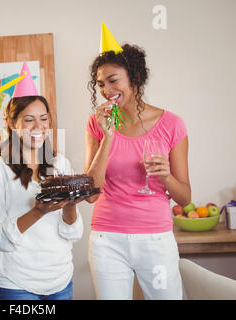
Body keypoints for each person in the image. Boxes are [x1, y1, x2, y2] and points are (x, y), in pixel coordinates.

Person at [84, 23, 191, 300]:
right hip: (107, 238)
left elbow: (185, 198)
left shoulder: (172, 124)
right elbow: (91, 195)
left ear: (135, 77)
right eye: (101, 84)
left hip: (155, 238)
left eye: (113, 80)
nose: (106, 90)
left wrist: (166, 176)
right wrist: (108, 136)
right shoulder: (97, 124)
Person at [0, 62, 84, 300]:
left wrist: (71, 204)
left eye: (44, 119)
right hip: (16, 283)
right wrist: (38, 212)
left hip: (60, 280)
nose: (39, 127)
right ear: (12, 123)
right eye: (29, 120)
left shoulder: (61, 163)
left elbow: (72, 234)